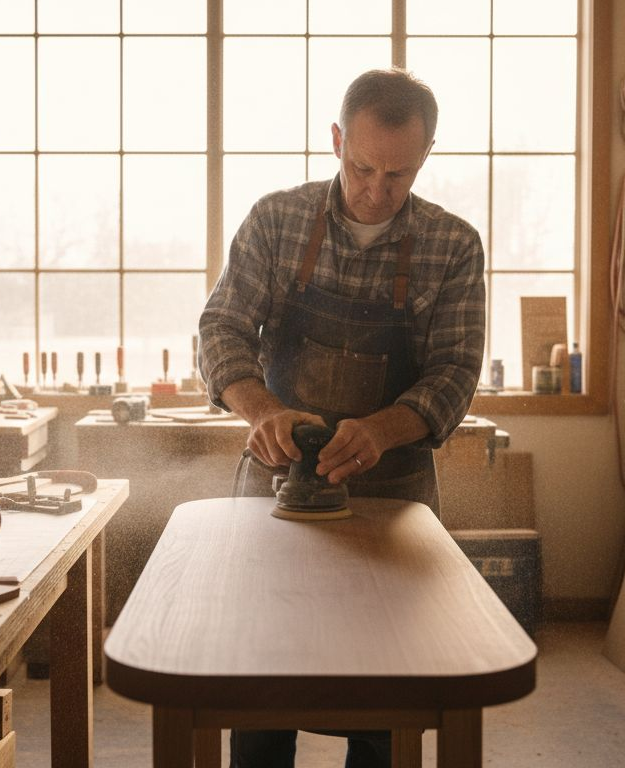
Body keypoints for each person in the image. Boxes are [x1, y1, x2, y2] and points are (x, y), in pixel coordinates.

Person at [197, 68, 486, 768]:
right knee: (261, 683)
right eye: (362, 167)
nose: (377, 190)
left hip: (393, 492)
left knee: (385, 688)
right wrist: (262, 411)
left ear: (426, 155)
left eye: (398, 174)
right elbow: (220, 332)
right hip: (274, 483)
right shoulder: (277, 219)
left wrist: (383, 429)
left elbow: (455, 371)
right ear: (335, 141)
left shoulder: (453, 246)